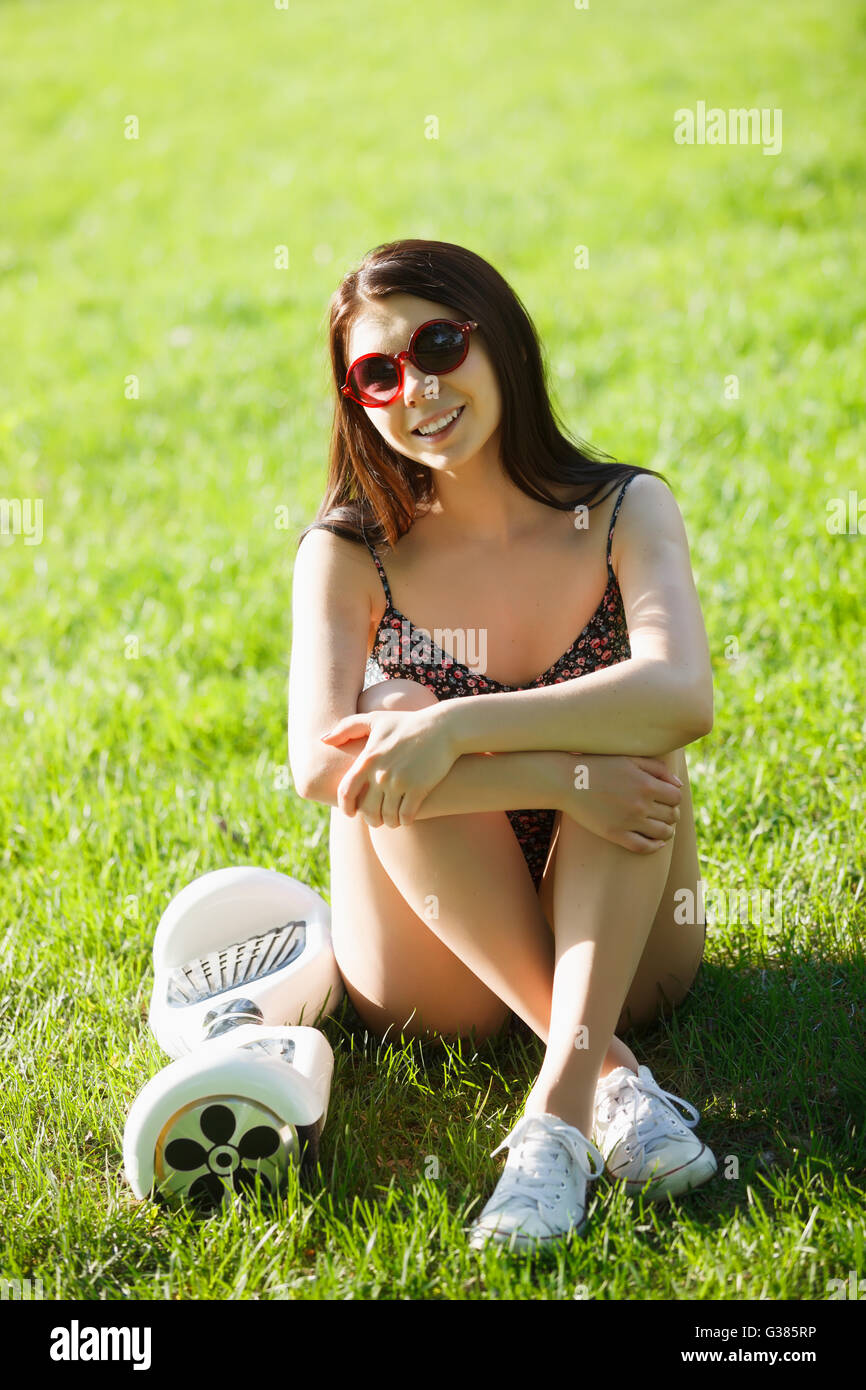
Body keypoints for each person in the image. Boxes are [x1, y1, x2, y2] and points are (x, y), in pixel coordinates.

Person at [288, 238, 716, 1254]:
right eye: (377, 373)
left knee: (634, 738)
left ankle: (554, 1121)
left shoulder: (621, 506)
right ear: (356, 400)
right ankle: (610, 1078)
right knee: (385, 714)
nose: (415, 390)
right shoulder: (349, 550)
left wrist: (457, 728)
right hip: (434, 968)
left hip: (625, 939)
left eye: (438, 345)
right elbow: (319, 763)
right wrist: (555, 770)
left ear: (501, 344)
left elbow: (679, 695)